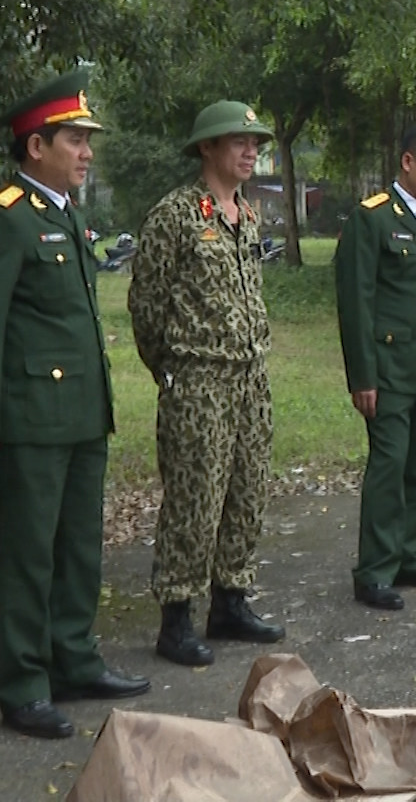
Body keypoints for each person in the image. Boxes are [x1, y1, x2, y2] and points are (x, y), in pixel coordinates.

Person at [0, 68, 149, 740]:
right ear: (36, 146)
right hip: (30, 420)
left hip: (82, 415)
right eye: (75, 139)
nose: (87, 151)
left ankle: (74, 658)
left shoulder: (68, 215)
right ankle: (24, 684)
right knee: (28, 555)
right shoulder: (3, 220)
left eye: (88, 139)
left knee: (78, 550)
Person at [129, 101, 285, 668]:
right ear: (207, 149)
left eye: (255, 144)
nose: (250, 152)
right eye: (238, 142)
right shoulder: (176, 215)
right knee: (195, 497)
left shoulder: (246, 214)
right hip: (198, 379)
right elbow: (146, 303)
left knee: (246, 490)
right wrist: (170, 370)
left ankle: (230, 601)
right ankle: (176, 618)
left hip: (250, 375)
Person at [336, 124, 416, 610]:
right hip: (387, 371)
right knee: (389, 467)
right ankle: (374, 570)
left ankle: (410, 555)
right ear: (408, 162)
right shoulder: (372, 220)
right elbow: (356, 302)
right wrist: (362, 376)